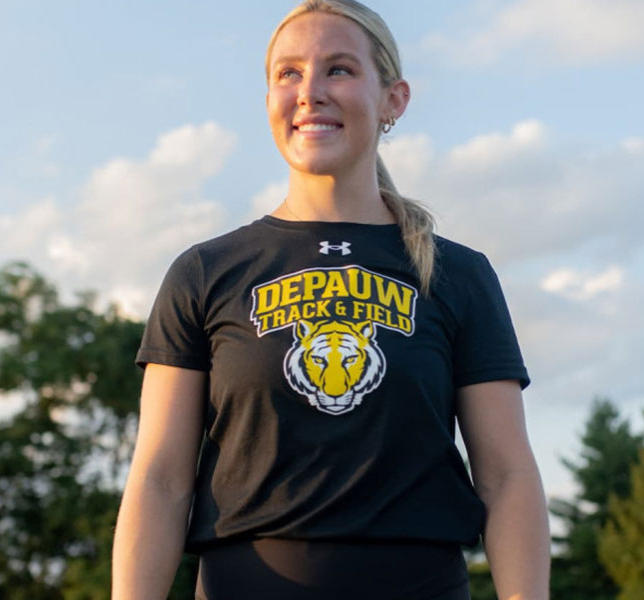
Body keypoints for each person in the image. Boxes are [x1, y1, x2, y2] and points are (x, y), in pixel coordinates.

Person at [111, 0, 550, 598]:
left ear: (394, 100)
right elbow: (161, 481)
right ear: (268, 100)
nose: (309, 91)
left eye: (338, 69)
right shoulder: (204, 272)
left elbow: (506, 477)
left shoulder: (458, 275)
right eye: (288, 73)